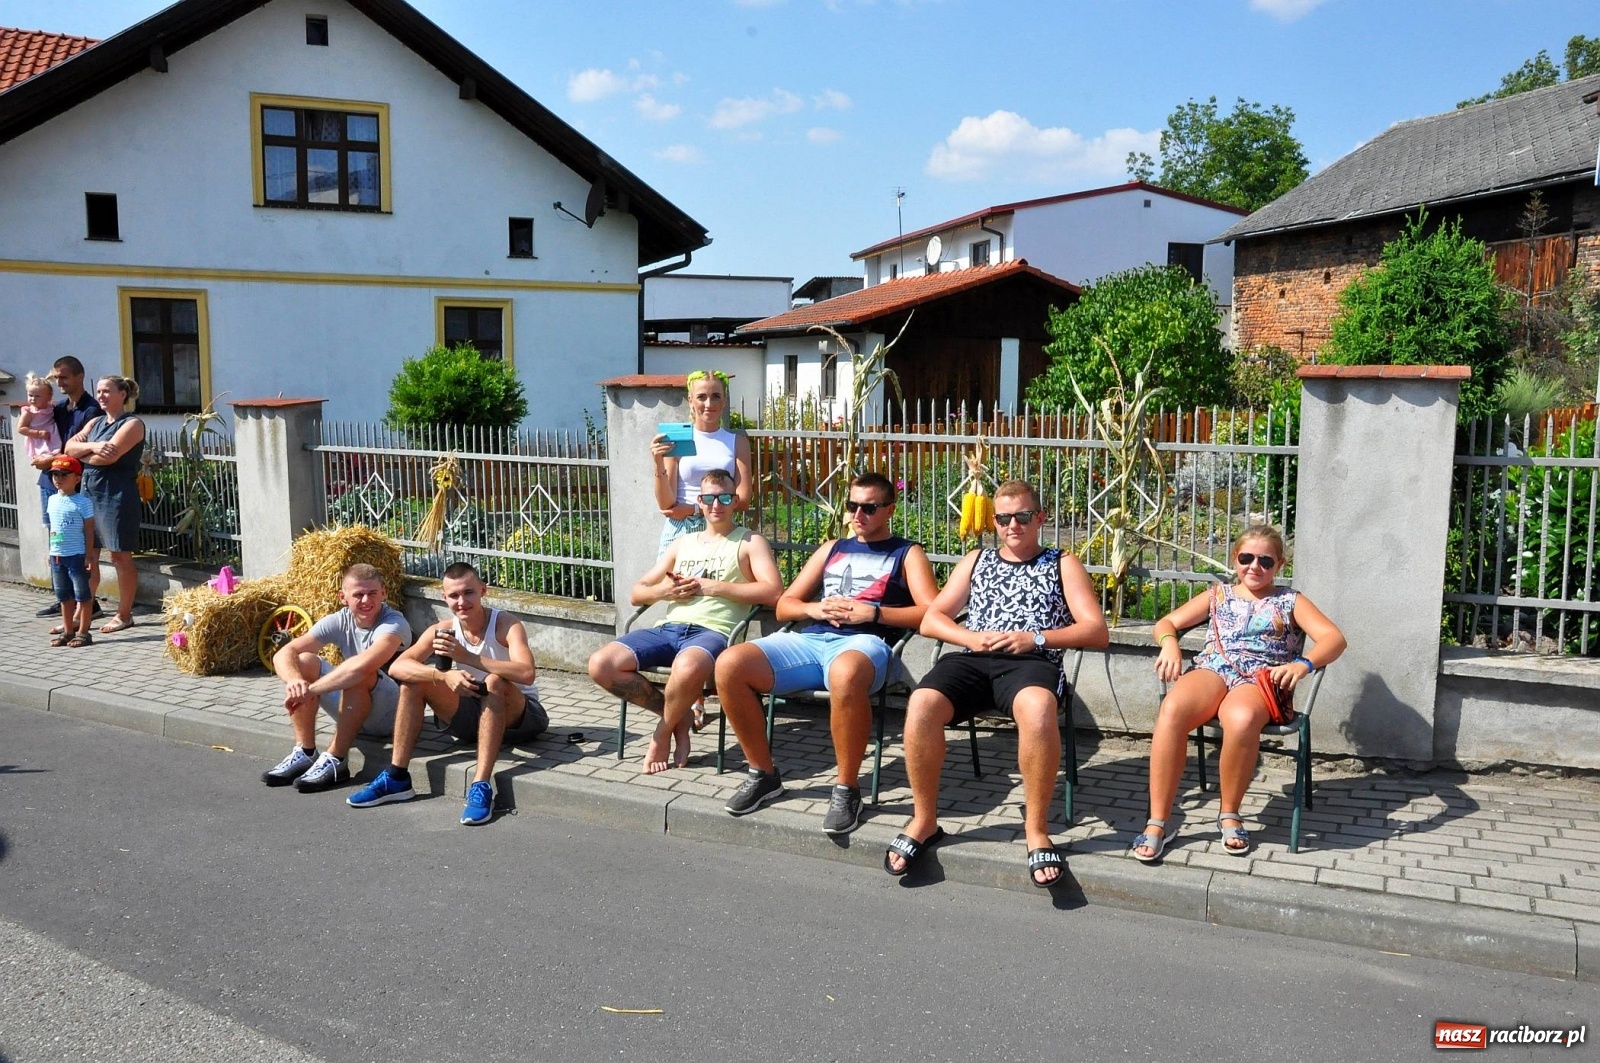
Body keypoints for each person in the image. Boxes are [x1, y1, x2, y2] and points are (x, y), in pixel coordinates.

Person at [884, 480, 1108, 888]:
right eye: (1003, 518)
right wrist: (969, 637)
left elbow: (1096, 630)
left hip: (1031, 661)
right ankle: (925, 820)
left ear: (1040, 518)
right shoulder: (977, 560)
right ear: (994, 522)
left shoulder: (1062, 562)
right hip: (974, 657)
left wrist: (1035, 637)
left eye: (1023, 516)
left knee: (1038, 710)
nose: (1013, 525)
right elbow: (933, 618)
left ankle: (1036, 829)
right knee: (921, 704)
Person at [715, 471, 937, 835]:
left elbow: (931, 612)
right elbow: (785, 605)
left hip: (867, 644)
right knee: (729, 664)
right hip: (811, 639)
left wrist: (875, 613)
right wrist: (813, 610)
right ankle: (763, 773)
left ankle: (847, 788)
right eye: (852, 506)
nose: (858, 515)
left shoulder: (907, 553)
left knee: (846, 673)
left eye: (869, 507)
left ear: (889, 510)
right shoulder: (832, 548)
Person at [1130, 525, 1346, 862]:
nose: (1254, 567)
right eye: (1246, 558)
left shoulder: (1290, 600)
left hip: (1259, 679)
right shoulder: (1218, 595)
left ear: (1280, 565)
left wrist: (1303, 664)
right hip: (1213, 669)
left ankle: (1229, 812)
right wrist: (1169, 644)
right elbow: (1166, 623)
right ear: (1235, 559)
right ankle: (1159, 821)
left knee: (1242, 719)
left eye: (1265, 561)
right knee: (1172, 709)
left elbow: (1334, 638)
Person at [588, 469, 782, 774]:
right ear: (699, 502)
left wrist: (713, 586)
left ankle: (661, 734)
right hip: (670, 628)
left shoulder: (749, 541)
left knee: (687, 667)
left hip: (715, 632)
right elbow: (637, 594)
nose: (716, 504)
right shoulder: (683, 542)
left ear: (735, 501)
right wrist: (666, 591)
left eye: (724, 497)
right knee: (601, 664)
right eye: (709, 498)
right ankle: (678, 719)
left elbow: (773, 592)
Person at [348, 562, 548, 826]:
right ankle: (397, 777)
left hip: (522, 717)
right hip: (475, 714)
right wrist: (442, 676)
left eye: (468, 593)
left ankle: (481, 786)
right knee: (413, 681)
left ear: (483, 591)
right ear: (444, 598)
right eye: (454, 596)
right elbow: (398, 667)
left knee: (495, 681)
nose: (461, 601)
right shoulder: (442, 629)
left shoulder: (506, 624)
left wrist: (467, 657)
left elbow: (526, 673)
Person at [650, 370, 753, 732]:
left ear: (725, 400)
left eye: (716, 396)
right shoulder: (677, 436)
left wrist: (697, 507)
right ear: (690, 401)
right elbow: (665, 502)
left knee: (708, 609)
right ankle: (689, 699)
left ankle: (699, 691)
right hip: (681, 531)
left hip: (719, 523)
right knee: (681, 604)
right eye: (702, 397)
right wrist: (656, 463)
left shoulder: (735, 439)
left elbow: (743, 496)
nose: (709, 404)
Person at [263, 564, 413, 793]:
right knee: (303, 661)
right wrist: (295, 681)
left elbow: (363, 666)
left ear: (384, 593)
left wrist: (310, 691)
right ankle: (305, 752)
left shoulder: (394, 623)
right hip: (353, 705)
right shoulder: (339, 620)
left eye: (372, 593)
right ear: (343, 597)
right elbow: (285, 653)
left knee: (359, 672)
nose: (366, 600)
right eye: (358, 595)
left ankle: (336, 759)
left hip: (391, 714)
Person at [64, 375, 144, 634]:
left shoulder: (132, 423)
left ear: (123, 394)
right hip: (88, 494)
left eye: (107, 391)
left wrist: (84, 453)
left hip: (116, 495)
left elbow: (108, 459)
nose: (101, 396)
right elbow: (68, 448)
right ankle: (81, 612)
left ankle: (124, 614)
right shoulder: (96, 422)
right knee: (89, 556)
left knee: (120, 556)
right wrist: (96, 446)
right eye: (98, 391)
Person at [30, 356, 102, 619]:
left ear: (79, 377)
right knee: (56, 539)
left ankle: (87, 603)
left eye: (64, 377)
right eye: (56, 377)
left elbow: (79, 448)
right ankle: (63, 598)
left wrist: (51, 459)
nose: (59, 382)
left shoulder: (91, 410)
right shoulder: (58, 408)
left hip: (75, 484)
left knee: (79, 544)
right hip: (50, 481)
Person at [43, 455, 95, 649]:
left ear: (77, 478)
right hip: (57, 555)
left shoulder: (82, 502)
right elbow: (52, 527)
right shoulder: (52, 500)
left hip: (77, 555)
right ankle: (68, 631)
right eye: (55, 474)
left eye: (64, 474)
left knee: (83, 595)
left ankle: (83, 632)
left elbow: (89, 530)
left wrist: (89, 555)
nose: (58, 478)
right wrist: (49, 551)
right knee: (63, 596)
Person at [17, 373, 62, 464]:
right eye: (30, 395)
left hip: (52, 435)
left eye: (37, 396)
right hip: (38, 438)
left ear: (49, 396)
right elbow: (20, 429)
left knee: (55, 451)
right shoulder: (29, 412)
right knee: (44, 453)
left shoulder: (51, 407)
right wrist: (38, 433)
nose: (33, 399)